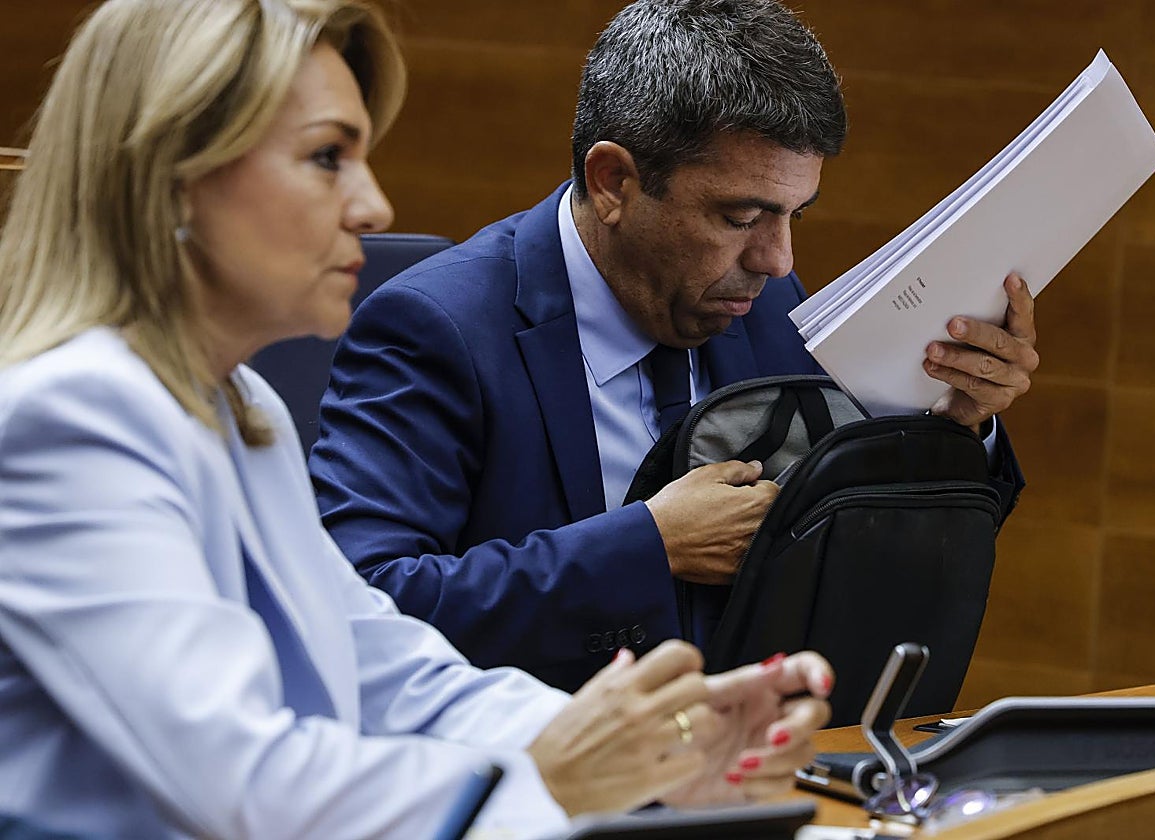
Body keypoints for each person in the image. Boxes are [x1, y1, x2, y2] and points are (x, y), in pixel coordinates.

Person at [0, 1, 838, 837]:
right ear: (172, 173)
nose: (371, 205)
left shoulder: (237, 402)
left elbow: (382, 665)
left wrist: (661, 742)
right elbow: (244, 785)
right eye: (327, 157)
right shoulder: (72, 418)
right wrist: (550, 778)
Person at [310, 0, 1037, 693]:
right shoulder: (435, 329)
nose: (778, 259)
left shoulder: (765, 303)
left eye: (793, 216)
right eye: (741, 216)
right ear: (614, 182)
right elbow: (361, 606)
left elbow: (848, 534)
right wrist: (648, 548)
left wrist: (959, 425)